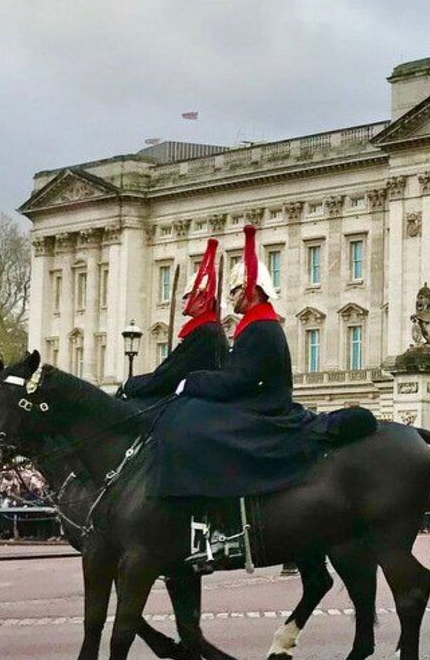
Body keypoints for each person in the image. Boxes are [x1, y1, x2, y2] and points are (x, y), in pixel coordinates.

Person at [144, 224, 370, 571]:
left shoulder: (261, 328)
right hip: (255, 403)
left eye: (236, 291)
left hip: (265, 408)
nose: (231, 298)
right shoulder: (255, 324)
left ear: (252, 291)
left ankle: (222, 530)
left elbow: (240, 379)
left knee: (199, 432)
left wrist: (191, 381)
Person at [120, 237, 225, 405]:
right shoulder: (205, 329)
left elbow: (171, 375)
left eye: (187, 296)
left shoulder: (205, 331)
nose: (183, 300)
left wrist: (130, 384)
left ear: (202, 301)